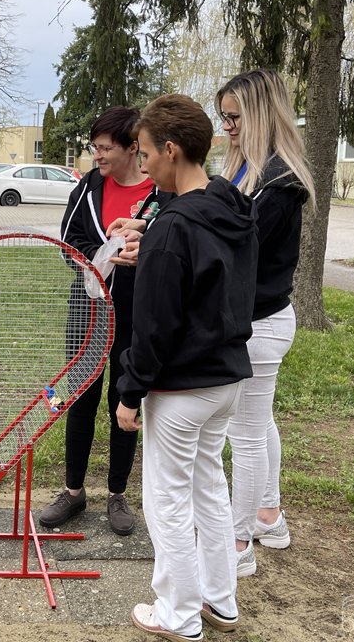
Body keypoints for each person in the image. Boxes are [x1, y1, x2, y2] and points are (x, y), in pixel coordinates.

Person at [115, 94, 258, 640]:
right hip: (225, 378)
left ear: (171, 150)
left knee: (167, 500)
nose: (143, 162)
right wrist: (151, 246)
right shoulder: (231, 208)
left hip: (181, 386)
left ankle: (176, 613)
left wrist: (131, 391)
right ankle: (220, 600)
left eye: (146, 152)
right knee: (208, 488)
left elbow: (154, 325)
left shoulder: (173, 228)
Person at [38, 107, 171, 537]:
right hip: (88, 311)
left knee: (123, 400)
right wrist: (97, 260)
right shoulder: (88, 186)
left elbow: (172, 246)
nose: (97, 155)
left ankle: (117, 494)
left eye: (105, 148)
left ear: (133, 147)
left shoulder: (160, 191)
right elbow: (68, 241)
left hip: (137, 312)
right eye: (94, 147)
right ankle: (73, 491)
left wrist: (140, 252)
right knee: (81, 397)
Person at [216, 68, 315, 577]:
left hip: (260, 324)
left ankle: (237, 545)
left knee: (246, 434)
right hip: (260, 320)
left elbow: (234, 247)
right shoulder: (248, 171)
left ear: (260, 115)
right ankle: (269, 517)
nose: (227, 127)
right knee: (260, 424)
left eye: (234, 117)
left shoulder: (278, 183)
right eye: (223, 117)